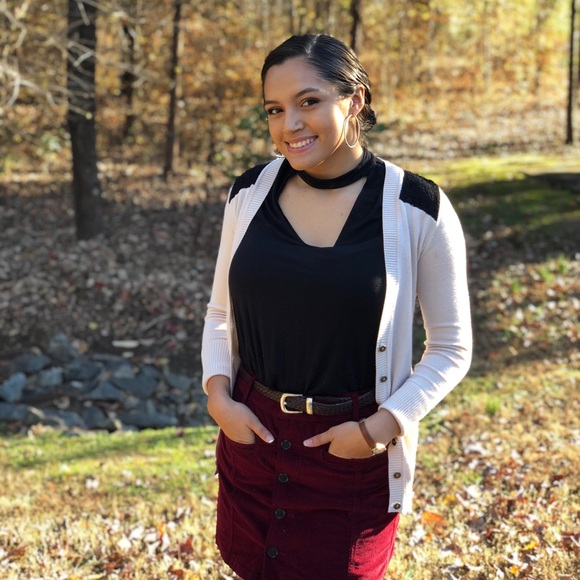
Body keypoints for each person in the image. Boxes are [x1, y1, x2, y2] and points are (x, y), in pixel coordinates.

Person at [201, 33, 472, 580]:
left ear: (354, 101)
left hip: (351, 453)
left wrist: (378, 429)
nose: (289, 125)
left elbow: (450, 348)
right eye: (274, 110)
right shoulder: (247, 194)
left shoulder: (417, 206)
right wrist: (218, 398)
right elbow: (220, 313)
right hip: (252, 437)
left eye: (309, 101)